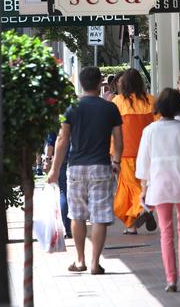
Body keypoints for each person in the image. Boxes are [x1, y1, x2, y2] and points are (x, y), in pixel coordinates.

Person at [47, 66, 123, 275]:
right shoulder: (110, 108)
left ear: (81, 83)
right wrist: (116, 161)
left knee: (77, 215)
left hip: (76, 167)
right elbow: (118, 140)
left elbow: (62, 140)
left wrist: (54, 169)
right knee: (99, 217)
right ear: (100, 83)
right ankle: (94, 263)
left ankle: (80, 260)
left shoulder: (71, 108)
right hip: (101, 166)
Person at [136, 88, 180, 293]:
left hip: (159, 182)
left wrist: (143, 189)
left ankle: (171, 279)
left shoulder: (150, 130)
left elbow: (143, 164)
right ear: (179, 107)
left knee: (166, 232)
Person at [112, 68, 157, 234]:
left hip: (125, 152)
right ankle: (130, 225)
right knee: (139, 185)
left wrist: (112, 154)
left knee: (128, 187)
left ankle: (142, 208)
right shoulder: (151, 100)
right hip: (148, 152)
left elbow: (112, 130)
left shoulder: (117, 101)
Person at [43, 132, 71, 238]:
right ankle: (75, 225)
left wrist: (47, 160)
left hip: (62, 158)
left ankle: (68, 229)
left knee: (64, 192)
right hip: (79, 158)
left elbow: (51, 140)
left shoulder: (57, 118)